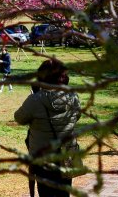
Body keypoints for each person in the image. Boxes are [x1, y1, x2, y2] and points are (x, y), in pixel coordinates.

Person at [14, 59, 81, 197]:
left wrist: (34, 95)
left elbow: (19, 118)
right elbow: (77, 116)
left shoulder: (35, 99)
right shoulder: (73, 96)